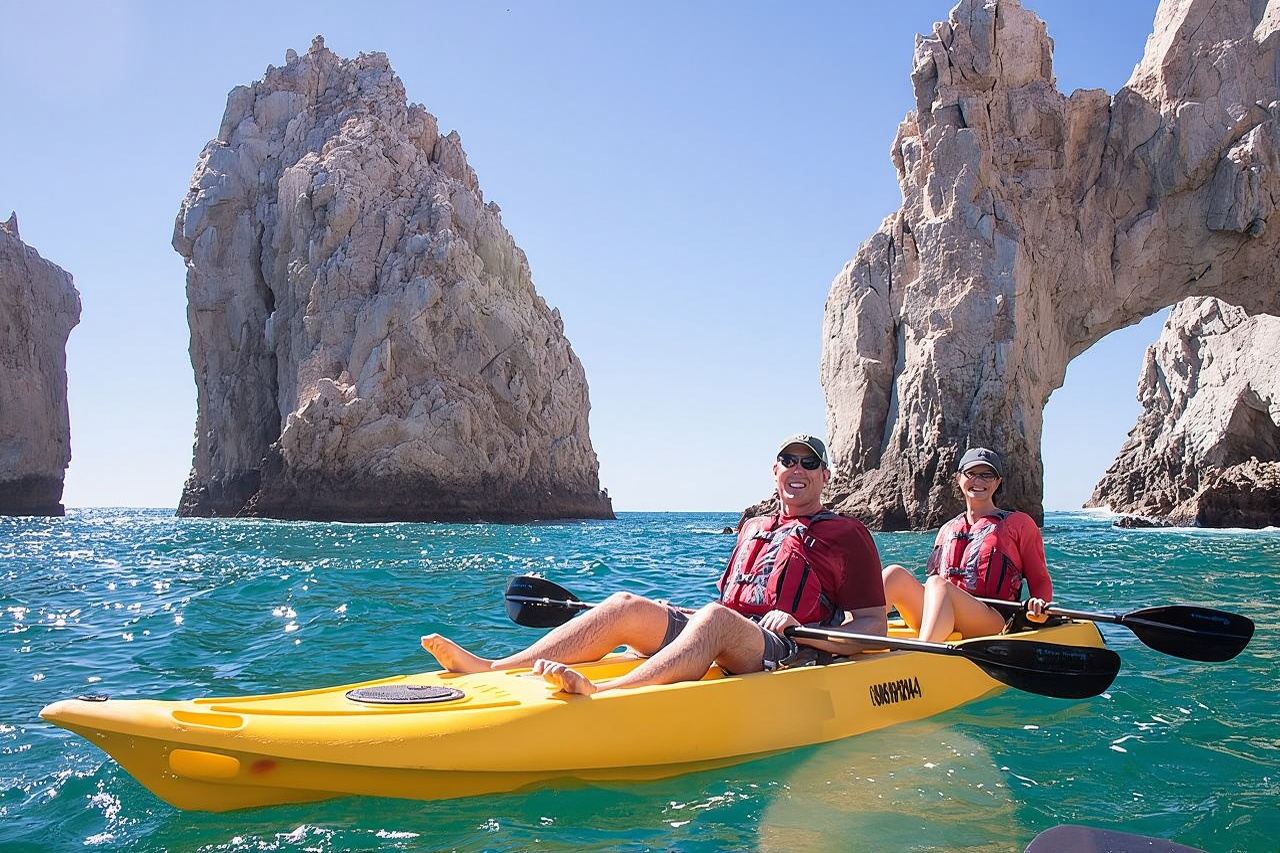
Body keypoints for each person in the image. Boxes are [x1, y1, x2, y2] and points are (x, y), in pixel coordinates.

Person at [420, 433, 887, 695]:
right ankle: (492, 666)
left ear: (825, 476)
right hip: (729, 629)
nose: (798, 469)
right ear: (775, 470)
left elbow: (874, 626)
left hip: (785, 649)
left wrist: (811, 628)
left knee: (715, 619)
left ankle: (607, 692)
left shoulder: (848, 535)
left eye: (810, 463)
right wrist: (678, 615)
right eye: (789, 460)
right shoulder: (753, 527)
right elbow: (730, 601)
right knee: (627, 603)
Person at [881, 447, 1052, 643]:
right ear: (959, 479)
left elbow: (1040, 580)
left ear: (998, 482)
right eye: (971, 473)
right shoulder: (947, 529)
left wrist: (1040, 606)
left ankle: (923, 654)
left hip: (992, 619)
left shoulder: (1019, 524)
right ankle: (854, 641)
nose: (978, 481)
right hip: (944, 613)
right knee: (893, 574)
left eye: (987, 475)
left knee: (937, 584)